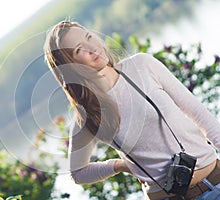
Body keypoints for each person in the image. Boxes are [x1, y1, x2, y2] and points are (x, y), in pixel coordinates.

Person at [43, 20, 220, 200]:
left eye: (89, 37)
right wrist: (120, 166)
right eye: (79, 49)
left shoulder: (142, 65)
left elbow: (200, 115)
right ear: (71, 67)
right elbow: (78, 173)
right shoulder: (88, 114)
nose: (92, 47)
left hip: (215, 181)